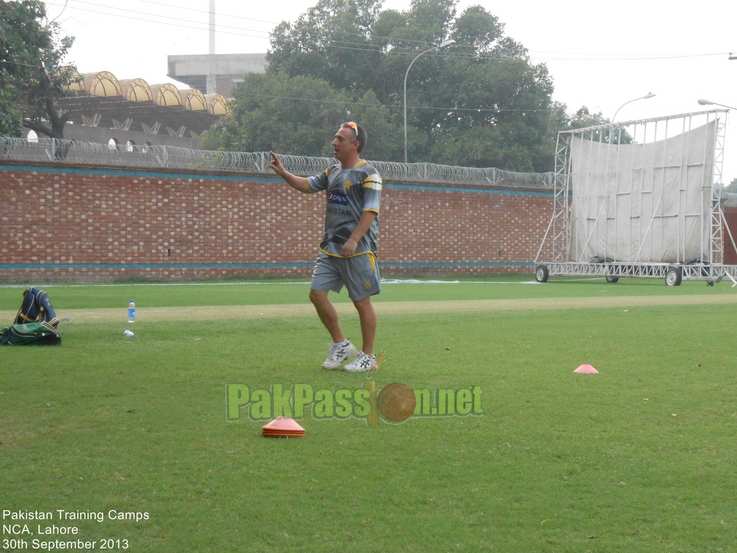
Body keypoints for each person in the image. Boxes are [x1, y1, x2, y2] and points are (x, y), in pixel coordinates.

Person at [269, 122, 383, 372]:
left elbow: (370, 211)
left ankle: (367, 356)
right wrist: (284, 173)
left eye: (340, 139)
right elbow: (307, 185)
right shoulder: (331, 172)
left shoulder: (369, 174)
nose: (334, 143)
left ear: (355, 144)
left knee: (361, 302)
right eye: (335, 138)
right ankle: (341, 345)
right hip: (330, 248)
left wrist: (353, 239)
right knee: (316, 294)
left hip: (358, 249)